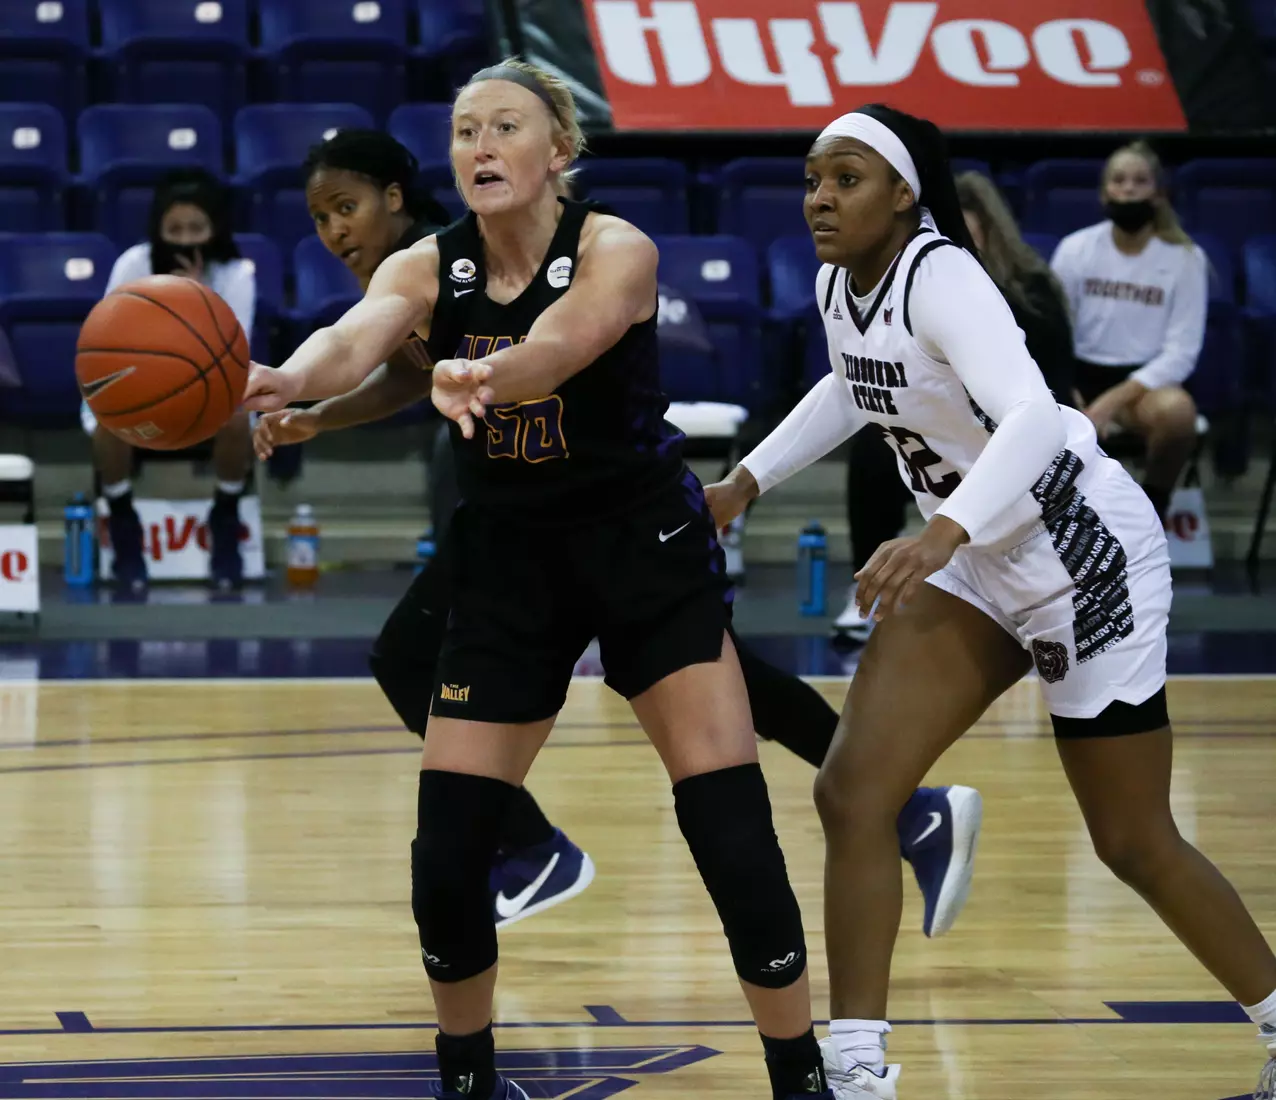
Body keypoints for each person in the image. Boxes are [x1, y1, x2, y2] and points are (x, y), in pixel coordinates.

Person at [244, 60, 834, 1100]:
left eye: (504, 126)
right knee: (447, 853)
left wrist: (488, 372)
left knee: (728, 826)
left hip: (640, 552)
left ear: (556, 148)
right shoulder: (429, 264)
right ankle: (468, 1080)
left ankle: (801, 1075)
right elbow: (358, 338)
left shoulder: (616, 247)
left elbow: (565, 344)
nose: (479, 146)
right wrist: (292, 379)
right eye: (465, 130)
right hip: (511, 562)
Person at [256, 127, 986, 942]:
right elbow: (401, 372)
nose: (335, 231)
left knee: (442, 660)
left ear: (396, 197)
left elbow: (474, 359)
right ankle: (910, 810)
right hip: (530, 518)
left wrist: (327, 406)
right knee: (707, 671)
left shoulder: (463, 251)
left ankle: (533, 847)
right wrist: (313, 418)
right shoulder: (421, 272)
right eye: (320, 217)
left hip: (607, 501)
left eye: (346, 207)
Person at [704, 105, 1276, 1099]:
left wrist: (939, 530)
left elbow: (1030, 421)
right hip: (974, 555)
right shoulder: (845, 282)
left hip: (1080, 555)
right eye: (810, 179)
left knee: (1132, 838)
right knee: (852, 793)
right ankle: (855, 1069)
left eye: (845, 179)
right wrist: (743, 480)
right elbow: (850, 388)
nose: (818, 198)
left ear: (903, 194)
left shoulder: (946, 275)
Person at [832, 170, 1077, 644]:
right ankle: (869, 584)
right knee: (873, 452)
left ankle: (1041, 605)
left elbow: (1049, 399)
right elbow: (852, 384)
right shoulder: (896, 288)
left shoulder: (1030, 290)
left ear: (986, 233)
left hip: (1012, 438)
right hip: (937, 431)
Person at [87, 168, 256, 593]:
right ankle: (122, 519)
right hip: (137, 384)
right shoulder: (133, 264)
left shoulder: (237, 274)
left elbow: (235, 357)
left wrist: (198, 301)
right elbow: (108, 339)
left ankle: (226, 513)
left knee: (240, 415)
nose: (184, 239)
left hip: (210, 387)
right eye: (174, 229)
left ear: (213, 229)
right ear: (158, 229)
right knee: (107, 413)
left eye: (195, 228)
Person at [1050, 141, 1207, 525]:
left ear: (1158, 193)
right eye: (1119, 180)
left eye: (1141, 180)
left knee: (1179, 413)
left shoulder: (1185, 258)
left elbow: (1182, 351)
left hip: (1142, 385)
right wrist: (1065, 382)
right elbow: (1054, 329)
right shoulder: (1075, 249)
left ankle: (1152, 512)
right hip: (1080, 371)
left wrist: (1110, 403)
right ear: (1105, 193)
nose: (1129, 189)